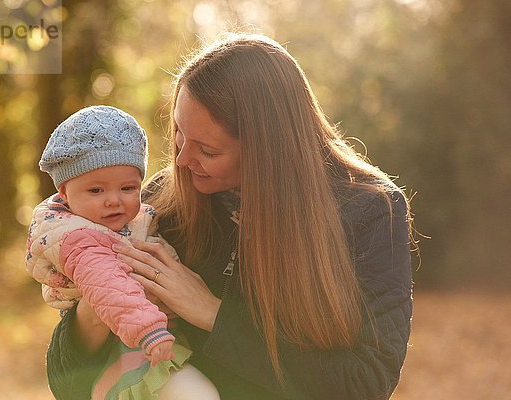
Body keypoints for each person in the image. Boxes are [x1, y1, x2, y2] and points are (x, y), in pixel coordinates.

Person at [46, 33, 414, 400]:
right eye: (178, 134)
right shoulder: (158, 205)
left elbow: (365, 383)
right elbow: (67, 384)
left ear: (266, 150)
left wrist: (212, 315)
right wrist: (94, 314)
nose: (181, 160)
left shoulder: (369, 212)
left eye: (207, 150)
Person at [26, 105, 219, 400]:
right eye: (96, 191)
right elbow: (108, 285)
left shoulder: (127, 221)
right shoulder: (78, 238)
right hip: (130, 348)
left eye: (128, 188)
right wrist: (149, 331)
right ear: (64, 193)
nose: (113, 201)